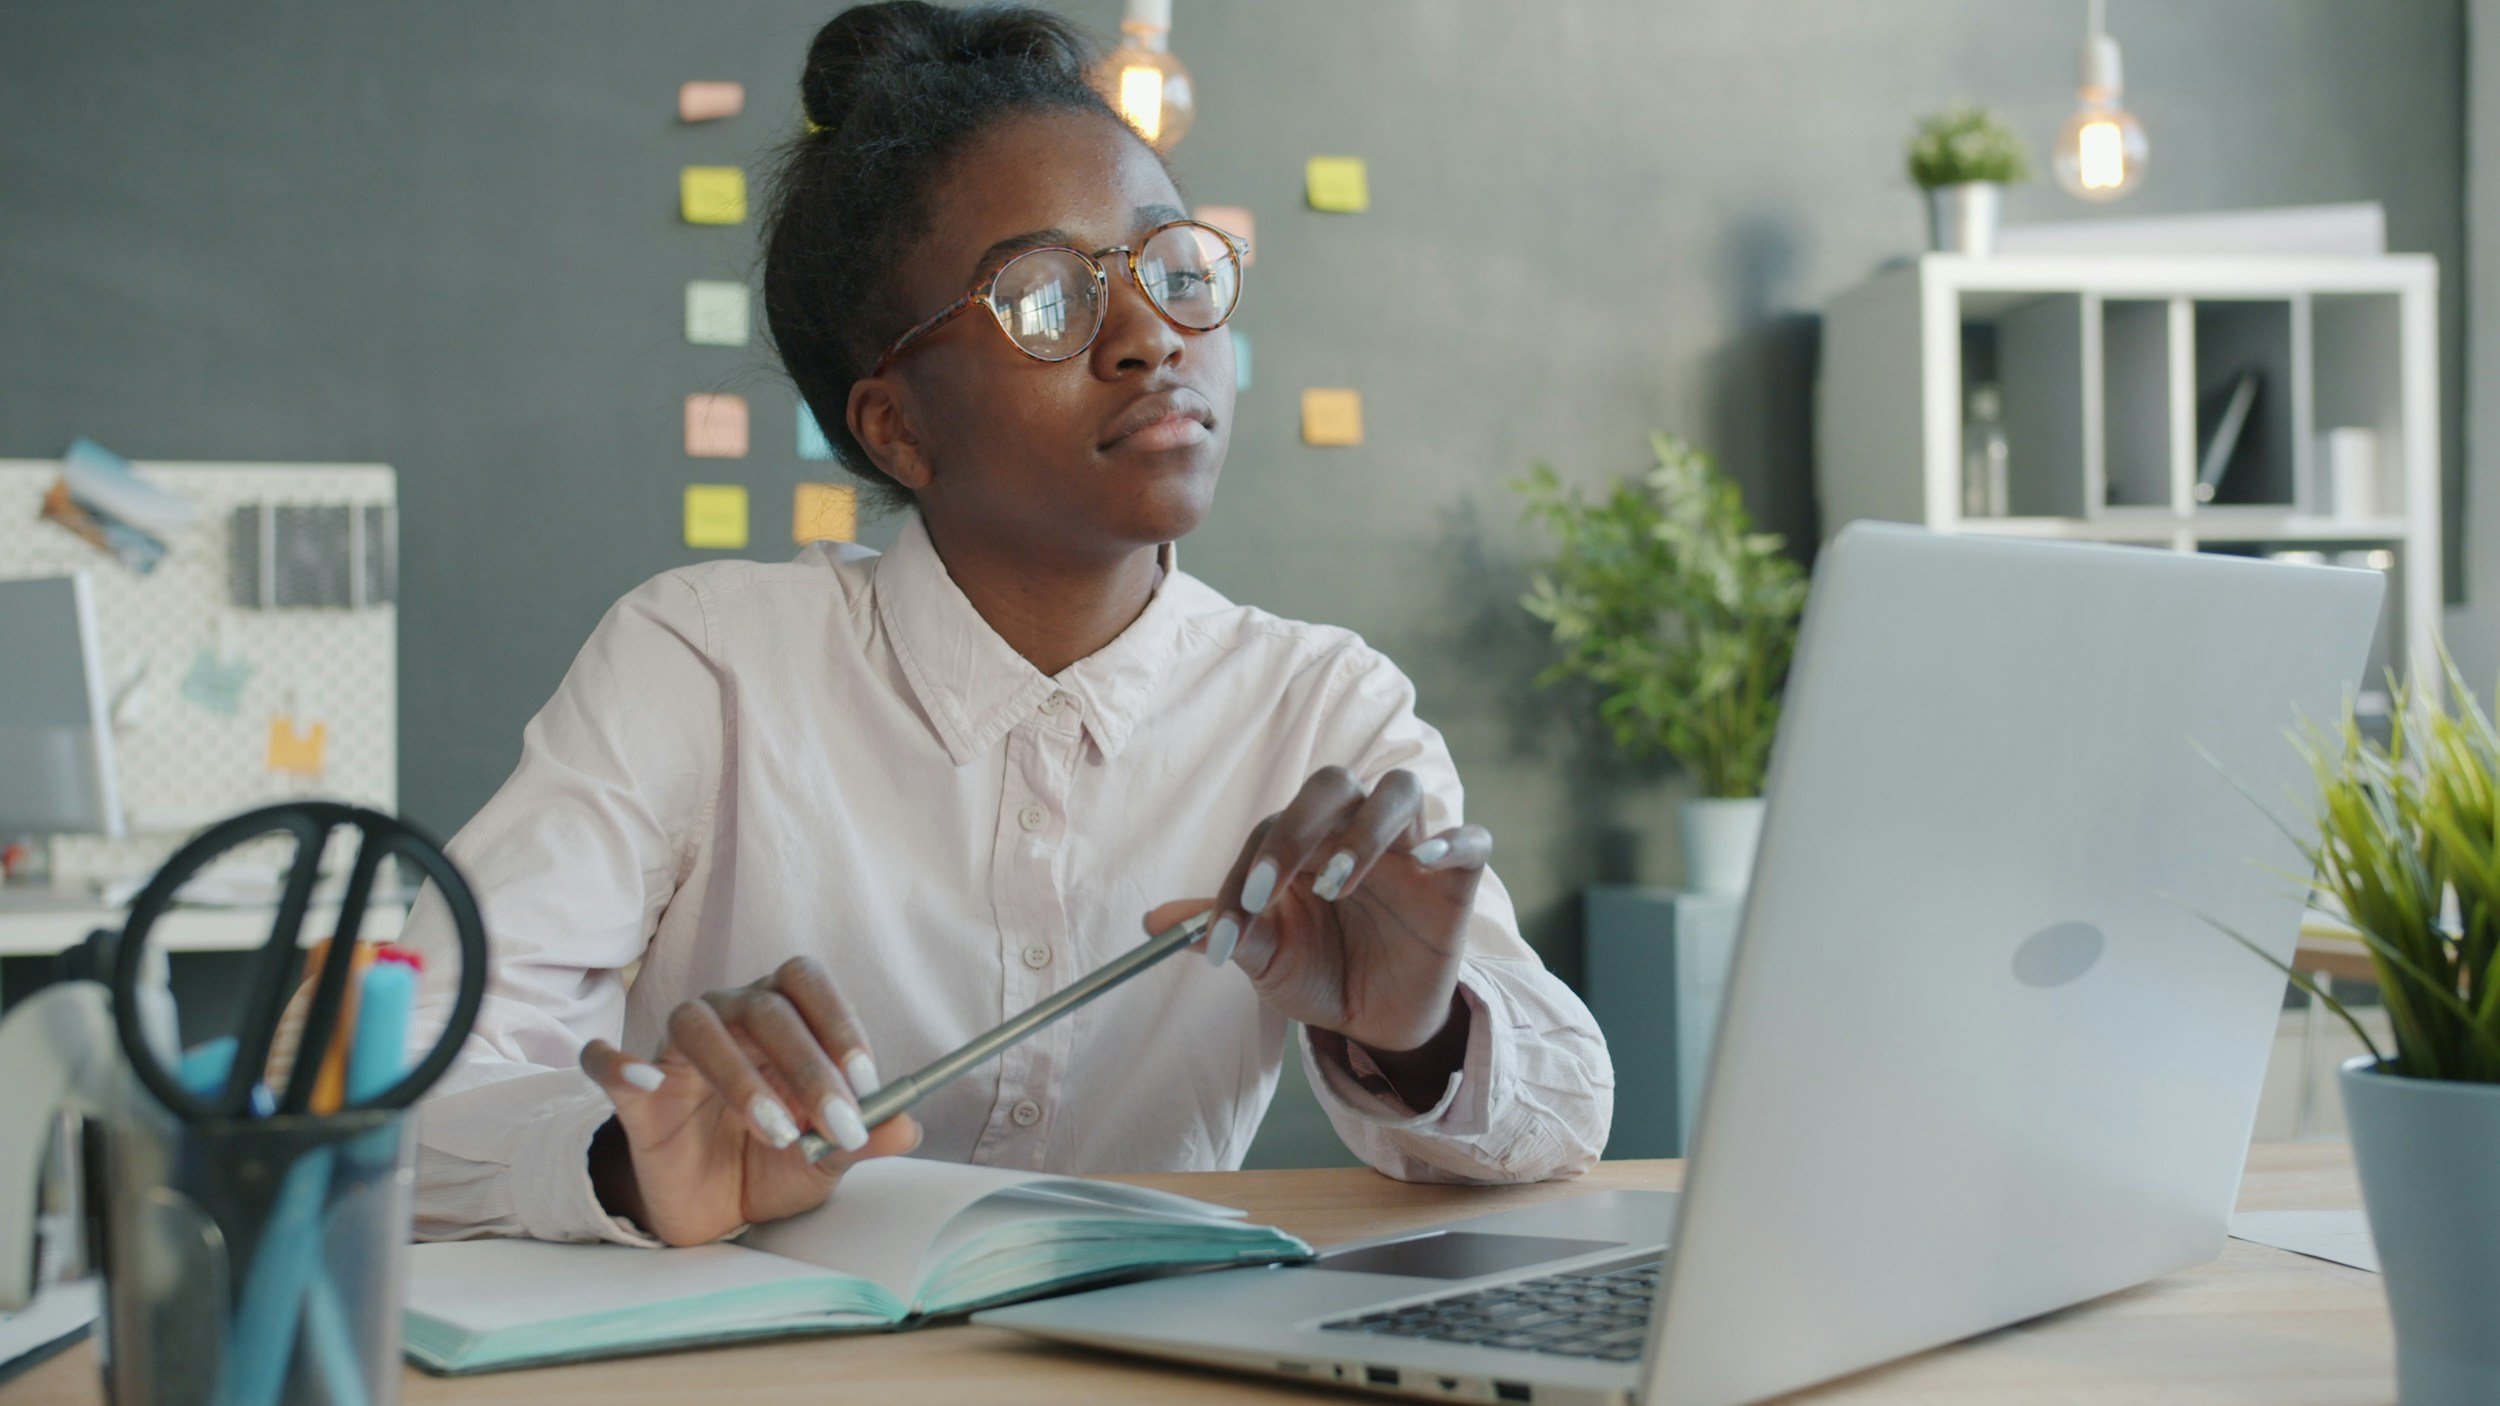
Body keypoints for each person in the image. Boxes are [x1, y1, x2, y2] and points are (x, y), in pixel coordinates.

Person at [404, 0, 1611, 1248]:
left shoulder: (1322, 710)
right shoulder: (703, 663)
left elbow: (1566, 1111)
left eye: (1172, 267)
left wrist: (1418, 1037)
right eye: (1045, 299)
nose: (1152, 337)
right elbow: (405, 1086)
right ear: (896, 426)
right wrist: (629, 1161)